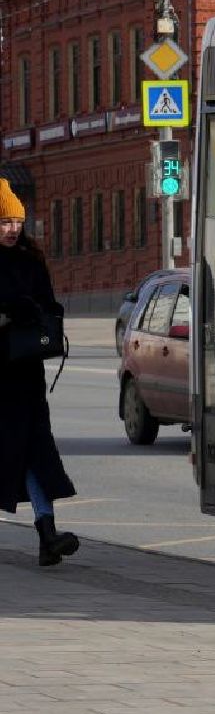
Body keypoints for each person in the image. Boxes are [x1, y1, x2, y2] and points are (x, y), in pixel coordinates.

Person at [0, 179, 79, 566]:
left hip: (26, 376)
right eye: (3, 222)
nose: (12, 228)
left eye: (15, 221)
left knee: (33, 452)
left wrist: (48, 314)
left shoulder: (31, 261)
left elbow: (46, 302)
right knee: (11, 453)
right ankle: (47, 536)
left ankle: (48, 535)